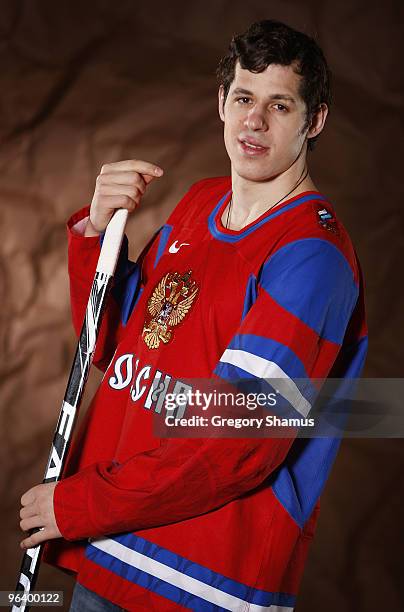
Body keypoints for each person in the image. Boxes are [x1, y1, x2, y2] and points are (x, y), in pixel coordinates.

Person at [19, 19, 368, 611]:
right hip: (116, 549)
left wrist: (81, 505)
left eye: (280, 105)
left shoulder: (311, 255)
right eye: (243, 99)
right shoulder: (201, 202)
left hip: (199, 583)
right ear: (222, 106)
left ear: (316, 121)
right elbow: (112, 348)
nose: (254, 121)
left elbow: (236, 442)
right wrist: (97, 237)